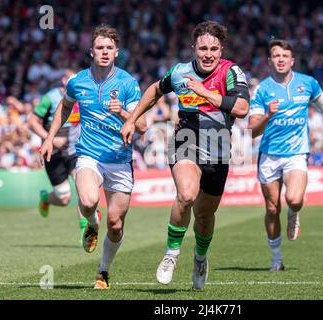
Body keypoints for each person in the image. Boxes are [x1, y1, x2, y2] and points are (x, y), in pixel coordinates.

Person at [121, 20, 249, 289]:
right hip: (186, 141)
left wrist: (204, 92)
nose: (208, 54)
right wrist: (132, 118)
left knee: (204, 216)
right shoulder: (179, 72)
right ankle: (171, 255)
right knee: (187, 194)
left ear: (221, 50)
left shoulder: (231, 71)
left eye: (214, 48)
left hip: (218, 148)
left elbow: (242, 107)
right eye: (203, 48)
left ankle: (200, 258)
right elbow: (156, 89)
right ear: (194, 48)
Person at [39, 25, 146, 289]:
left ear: (116, 52)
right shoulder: (77, 82)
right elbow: (64, 108)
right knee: (87, 201)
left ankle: (103, 271)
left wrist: (122, 112)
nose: (105, 52)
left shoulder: (127, 83)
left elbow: (142, 126)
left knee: (116, 224)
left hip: (120, 160)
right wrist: (50, 138)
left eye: (109, 48)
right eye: (100, 47)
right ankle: (90, 221)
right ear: (92, 51)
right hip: (88, 154)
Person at [248, 39, 323, 271]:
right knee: (271, 208)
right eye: (276, 56)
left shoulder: (307, 83)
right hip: (269, 155)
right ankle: (276, 259)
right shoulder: (262, 89)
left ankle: (294, 214)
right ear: (270, 61)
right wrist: (268, 115)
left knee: (294, 200)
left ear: (292, 60)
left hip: (296, 153)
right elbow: (253, 130)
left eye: (284, 56)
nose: (280, 59)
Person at [29, 69, 87, 246]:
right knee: (64, 198)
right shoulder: (50, 98)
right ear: (63, 80)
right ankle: (46, 198)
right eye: (69, 79)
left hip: (76, 152)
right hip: (53, 154)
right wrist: (50, 138)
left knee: (83, 190)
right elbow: (32, 122)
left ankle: (86, 234)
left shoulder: (82, 96)